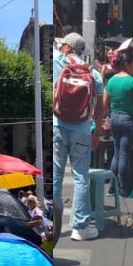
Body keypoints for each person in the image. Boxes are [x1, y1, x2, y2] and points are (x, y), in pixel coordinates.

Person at [53, 32, 105, 241]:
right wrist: (98, 131)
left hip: (57, 126)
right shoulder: (93, 72)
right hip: (83, 129)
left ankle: (55, 226)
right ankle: (80, 227)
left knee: (55, 177)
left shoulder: (57, 64)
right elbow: (100, 107)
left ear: (67, 47)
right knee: (80, 176)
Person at [105, 49, 133, 198]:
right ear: (127, 65)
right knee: (123, 155)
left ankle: (111, 188)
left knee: (116, 153)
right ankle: (125, 189)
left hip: (114, 118)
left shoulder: (111, 80)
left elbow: (105, 104)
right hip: (129, 119)